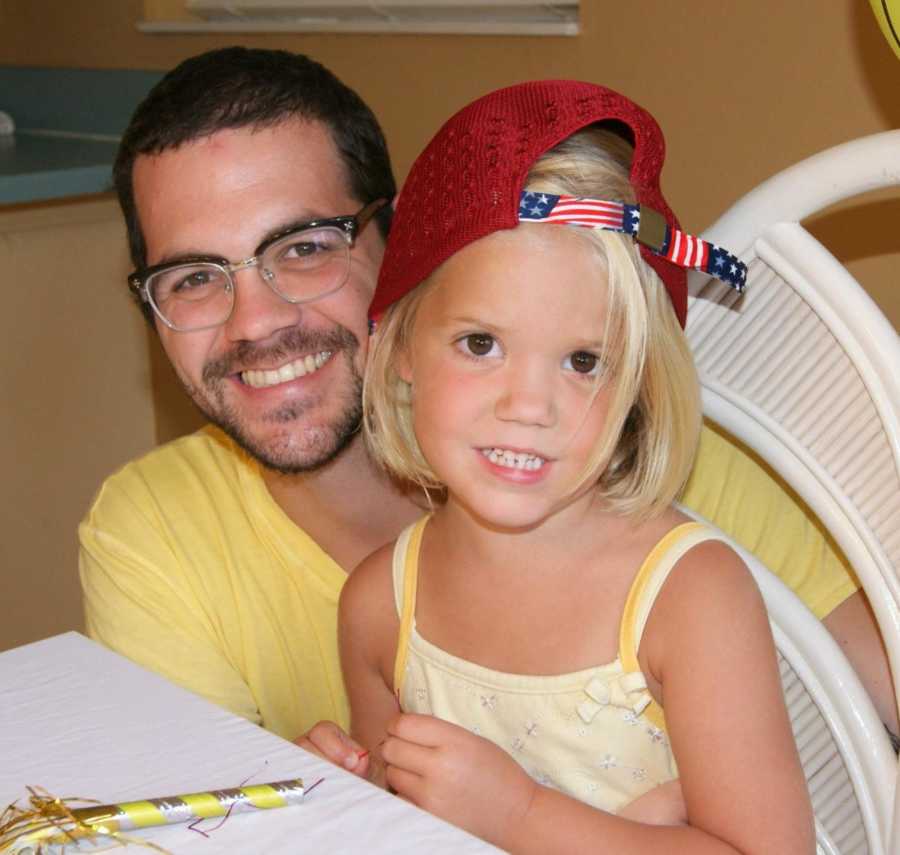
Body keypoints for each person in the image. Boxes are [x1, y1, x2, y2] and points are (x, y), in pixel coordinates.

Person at [80, 46, 895, 744]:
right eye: (192, 277)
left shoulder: (621, 447)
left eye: (303, 247)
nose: (255, 321)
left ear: (400, 247)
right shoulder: (153, 537)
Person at [308, 80, 814, 852]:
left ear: (639, 388)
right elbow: (405, 822)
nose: (529, 405)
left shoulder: (690, 599)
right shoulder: (379, 605)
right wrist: (349, 792)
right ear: (400, 347)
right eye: (481, 344)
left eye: (584, 360)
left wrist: (521, 815)